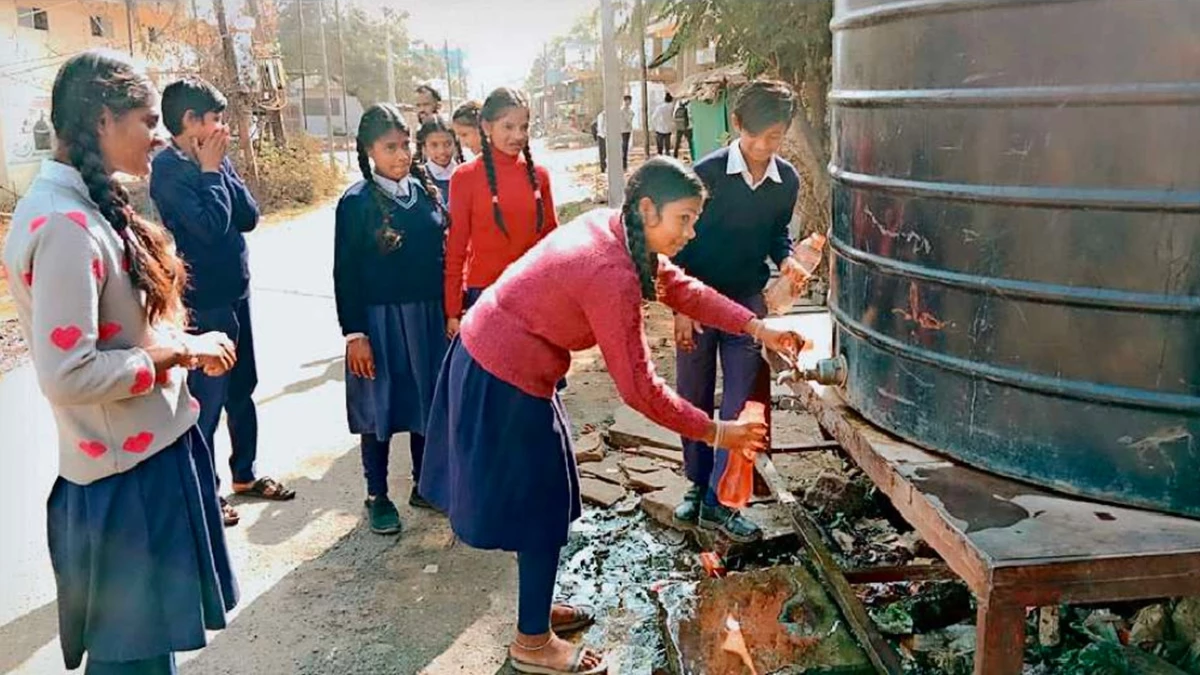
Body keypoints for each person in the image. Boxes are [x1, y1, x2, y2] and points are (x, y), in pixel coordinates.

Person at [419, 157, 803, 675]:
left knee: (544, 499)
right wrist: (719, 432)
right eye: (684, 219)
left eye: (695, 219)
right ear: (648, 209)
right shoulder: (611, 271)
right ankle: (532, 643)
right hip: (500, 373)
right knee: (541, 508)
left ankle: (536, 609)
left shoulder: (617, 228)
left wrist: (756, 328)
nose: (691, 233)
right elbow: (640, 390)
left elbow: (682, 288)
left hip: (507, 360)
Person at [2, 49, 239, 674]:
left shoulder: (91, 201)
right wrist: (179, 350)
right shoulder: (63, 224)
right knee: (132, 663)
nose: (160, 135)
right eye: (147, 118)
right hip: (122, 484)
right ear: (103, 120)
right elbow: (69, 374)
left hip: (147, 463)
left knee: (147, 657)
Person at [151, 77, 295, 528]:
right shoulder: (169, 171)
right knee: (207, 401)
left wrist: (220, 169)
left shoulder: (216, 159)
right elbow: (209, 228)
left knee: (243, 387)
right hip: (204, 301)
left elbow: (249, 216)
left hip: (238, 291)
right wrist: (212, 173)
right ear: (190, 121)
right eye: (214, 119)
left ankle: (245, 474)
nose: (221, 129)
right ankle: (206, 490)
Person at [671, 80, 802, 543]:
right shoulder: (703, 175)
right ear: (738, 125)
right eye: (761, 136)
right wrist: (681, 306)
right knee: (693, 392)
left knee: (745, 398)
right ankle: (694, 482)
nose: (767, 147)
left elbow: (777, 234)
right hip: (697, 296)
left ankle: (722, 499)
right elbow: (678, 241)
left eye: (777, 138)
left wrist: (786, 257)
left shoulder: (786, 181)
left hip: (748, 300)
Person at [334, 104, 450, 534]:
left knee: (426, 401)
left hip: (426, 318)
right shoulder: (357, 202)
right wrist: (355, 333)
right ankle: (377, 494)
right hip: (379, 323)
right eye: (390, 148)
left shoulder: (424, 192)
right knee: (379, 408)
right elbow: (344, 272)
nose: (401, 155)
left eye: (405, 146)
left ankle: (426, 483)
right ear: (368, 150)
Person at [444, 87, 557, 335]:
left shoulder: (539, 176)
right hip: (485, 300)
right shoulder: (465, 177)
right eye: (508, 127)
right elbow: (456, 248)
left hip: (533, 297)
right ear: (486, 127)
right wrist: (453, 310)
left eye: (524, 127)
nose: (518, 135)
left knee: (534, 373)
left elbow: (552, 245)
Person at [415, 115, 460, 207]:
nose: (442, 151)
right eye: (434, 145)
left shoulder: (466, 173)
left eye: (447, 144)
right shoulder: (418, 179)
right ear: (424, 148)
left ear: (455, 144)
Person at [673, 96, 694, 161]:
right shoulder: (691, 102)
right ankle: (693, 157)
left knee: (677, 142)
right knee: (691, 143)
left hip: (679, 126)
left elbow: (674, 115)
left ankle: (675, 156)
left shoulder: (678, 102)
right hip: (688, 126)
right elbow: (692, 115)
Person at [620, 94, 634, 169]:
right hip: (622, 130)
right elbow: (628, 120)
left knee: (625, 147)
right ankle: (623, 164)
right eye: (627, 101)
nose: (629, 102)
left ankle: (624, 164)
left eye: (630, 101)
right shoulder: (622, 110)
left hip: (627, 130)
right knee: (623, 146)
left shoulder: (630, 110)